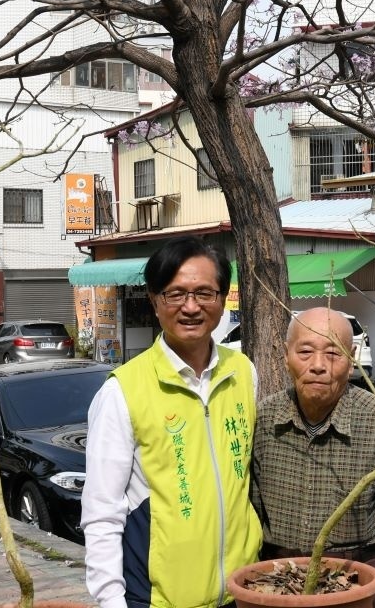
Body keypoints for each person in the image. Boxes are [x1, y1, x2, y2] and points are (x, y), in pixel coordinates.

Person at [82, 237, 261, 608]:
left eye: (204, 293)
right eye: (175, 294)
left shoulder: (243, 371)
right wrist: (111, 602)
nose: (191, 307)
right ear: (154, 300)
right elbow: (102, 514)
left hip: (244, 592)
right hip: (158, 599)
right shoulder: (122, 391)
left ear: (223, 297)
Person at [251, 307, 375, 608]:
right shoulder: (262, 421)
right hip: (280, 584)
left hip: (363, 583)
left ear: (352, 358)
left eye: (333, 353)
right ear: (285, 355)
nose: (318, 366)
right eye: (305, 352)